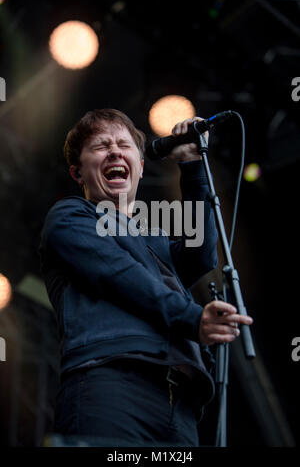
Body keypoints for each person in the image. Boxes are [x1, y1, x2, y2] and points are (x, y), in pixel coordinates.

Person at [39, 108, 253, 447]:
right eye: (100, 145)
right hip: (110, 382)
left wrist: (193, 164)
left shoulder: (154, 241)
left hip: (179, 403)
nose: (114, 151)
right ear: (77, 172)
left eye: (124, 145)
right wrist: (193, 318)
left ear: (140, 166)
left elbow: (201, 254)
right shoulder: (70, 217)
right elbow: (120, 275)